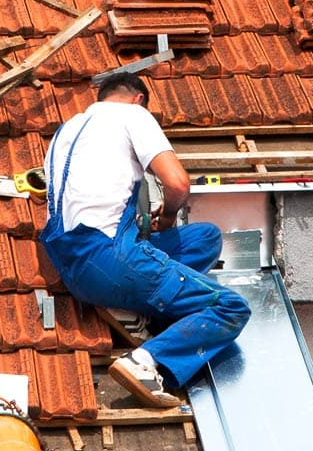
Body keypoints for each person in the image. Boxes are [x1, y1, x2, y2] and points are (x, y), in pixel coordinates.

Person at [39, 73, 250, 407]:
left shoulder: (66, 130)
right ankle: (144, 362)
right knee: (231, 307)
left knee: (204, 238)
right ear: (138, 99)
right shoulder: (133, 114)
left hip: (71, 262)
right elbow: (177, 184)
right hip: (112, 258)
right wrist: (166, 217)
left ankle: (128, 305)